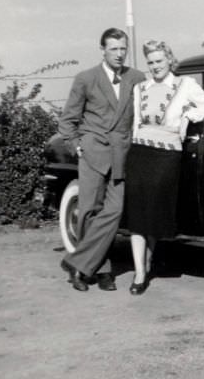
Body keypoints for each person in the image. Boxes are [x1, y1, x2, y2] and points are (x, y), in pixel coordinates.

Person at [59, 28, 146, 292]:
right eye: (114, 49)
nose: (119, 54)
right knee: (88, 212)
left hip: (122, 154)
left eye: (123, 49)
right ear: (103, 50)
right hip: (93, 153)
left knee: (115, 212)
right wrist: (77, 146)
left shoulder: (137, 78)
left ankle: (77, 263)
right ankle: (103, 270)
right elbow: (68, 120)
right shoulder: (86, 78)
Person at [125, 40, 204, 295]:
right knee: (138, 216)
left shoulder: (185, 85)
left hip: (167, 153)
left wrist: (186, 117)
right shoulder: (141, 88)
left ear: (169, 60)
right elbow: (136, 123)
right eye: (150, 62)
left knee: (154, 211)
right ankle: (140, 272)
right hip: (140, 151)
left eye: (159, 61)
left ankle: (148, 258)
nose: (155, 67)